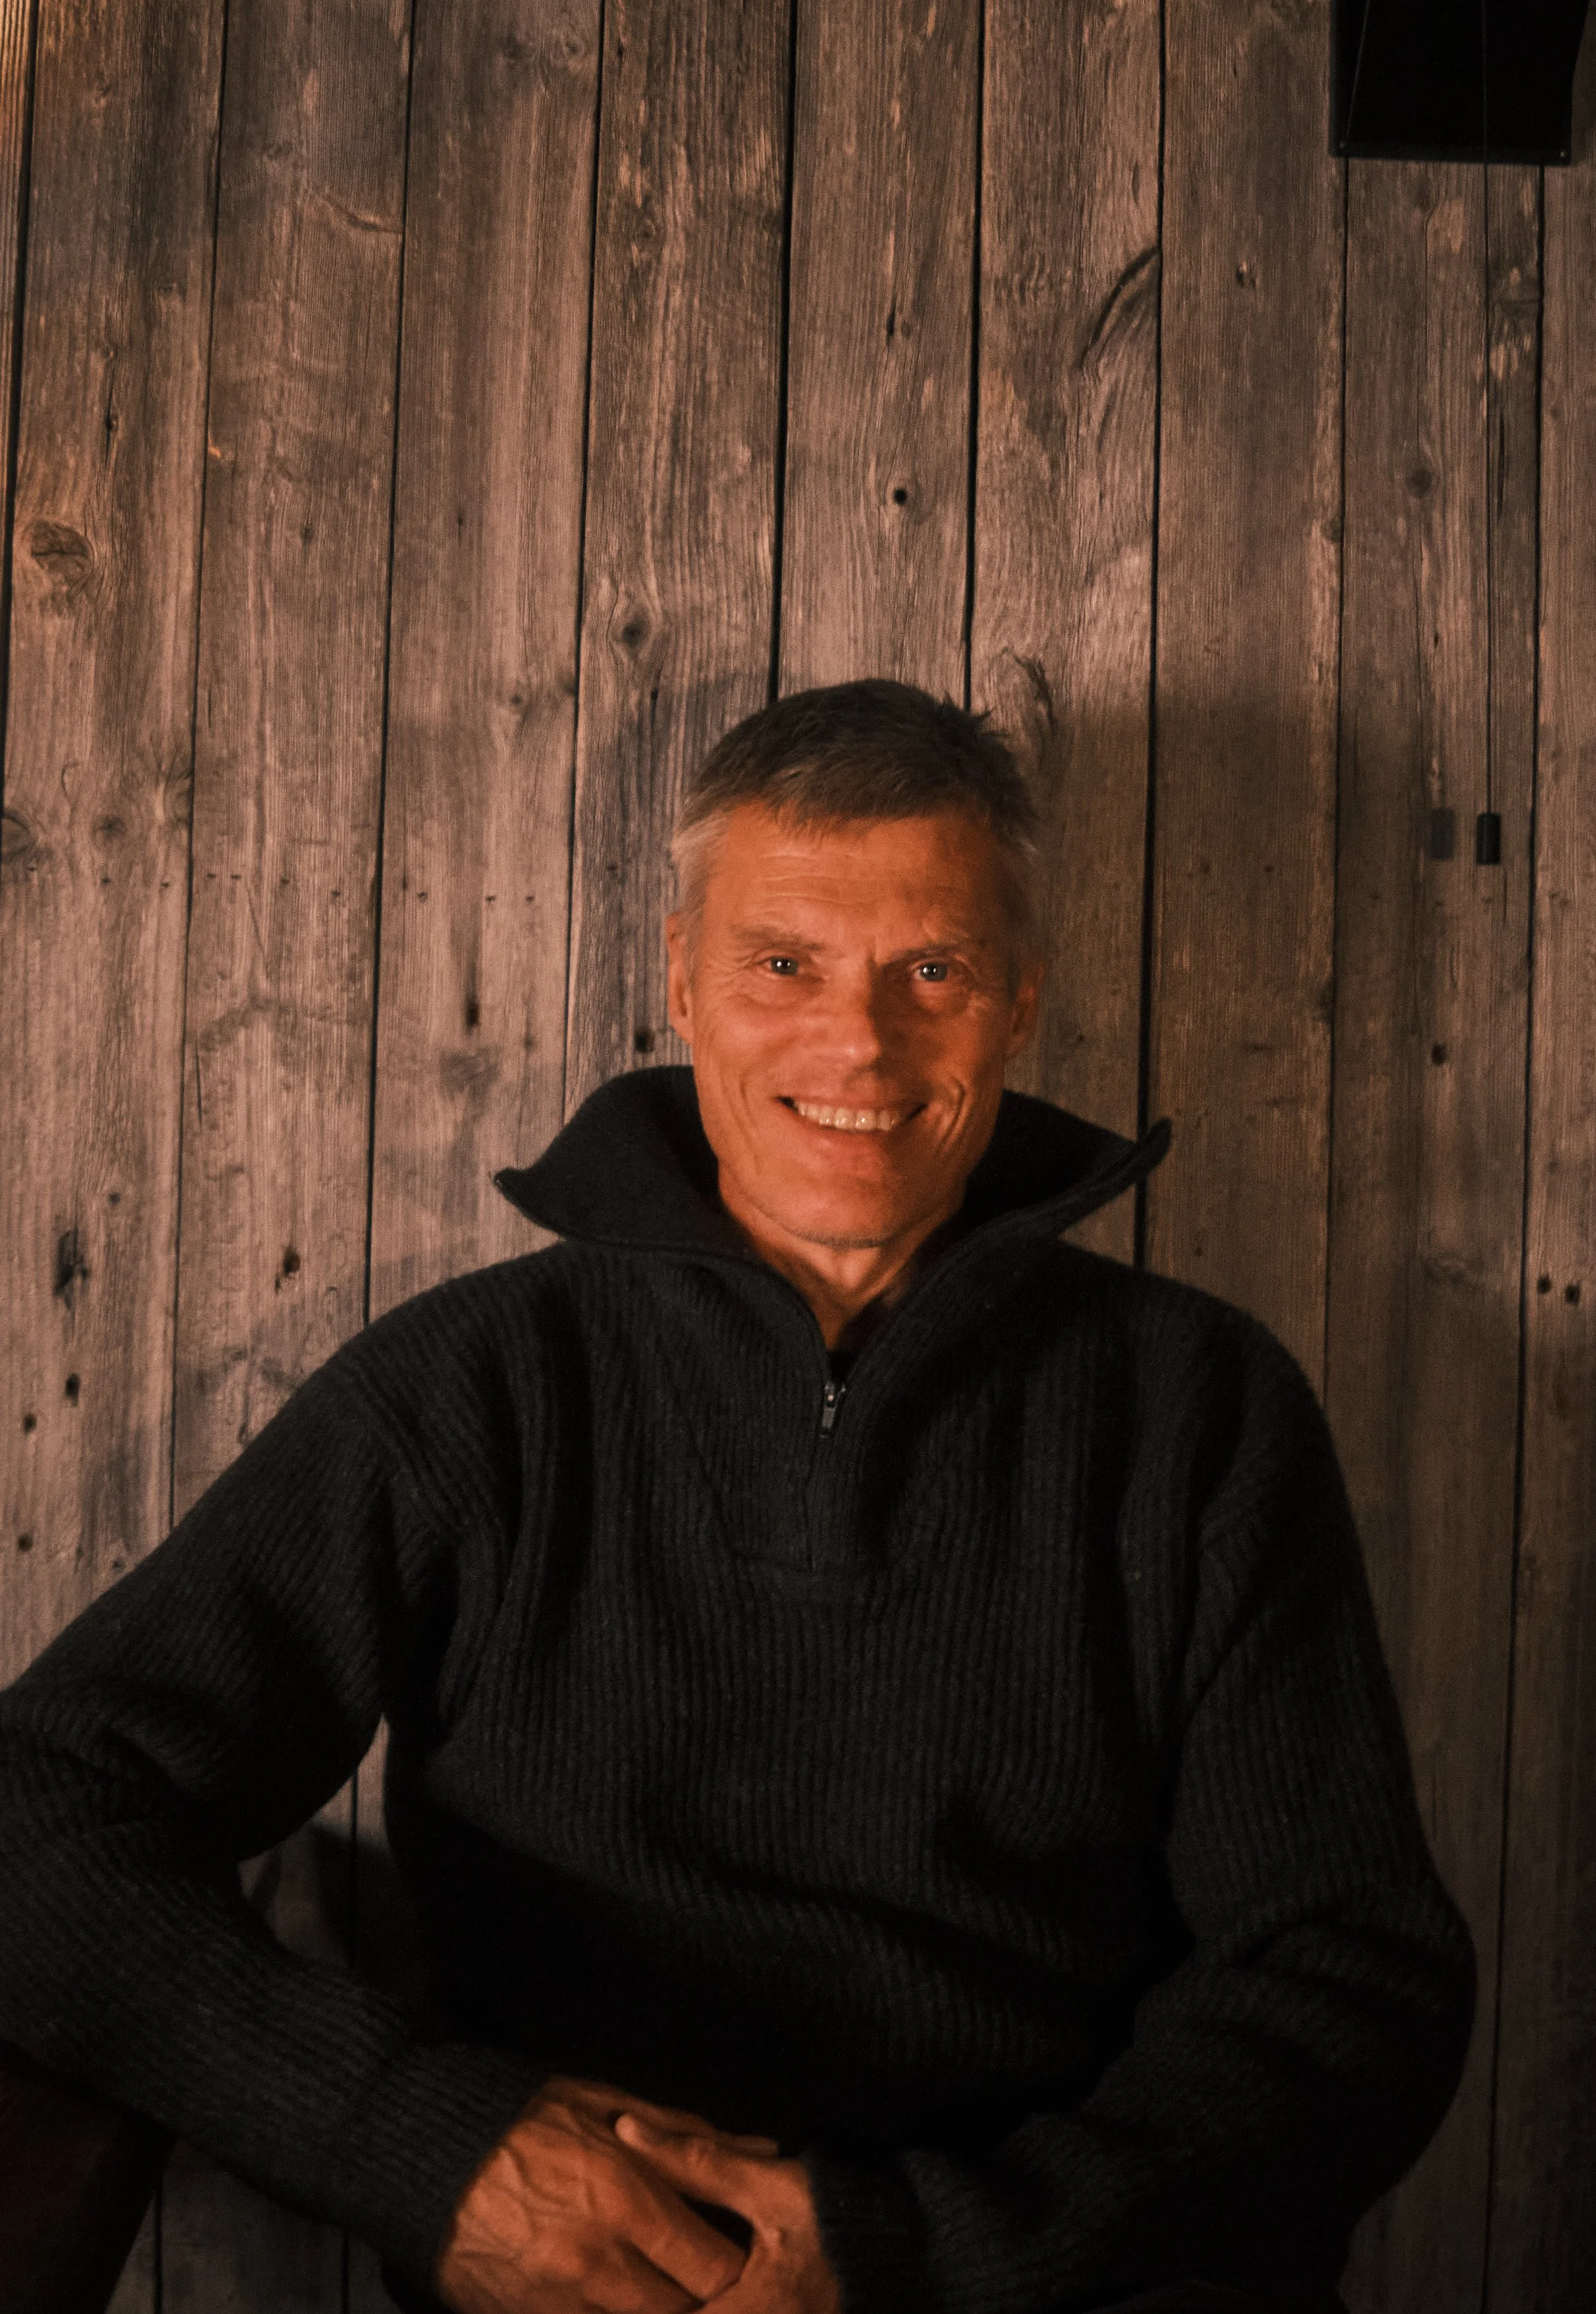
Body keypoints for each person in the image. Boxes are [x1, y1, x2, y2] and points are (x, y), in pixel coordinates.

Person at [0, 680, 1473, 2314]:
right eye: (785, 964)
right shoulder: (472, 1387)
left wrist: (904, 2257)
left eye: (932, 970)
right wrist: (423, 2145)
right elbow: (39, 1810)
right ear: (682, 981)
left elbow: (1344, 1979)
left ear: (1021, 1001)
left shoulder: (1200, 1409)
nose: (858, 1039)